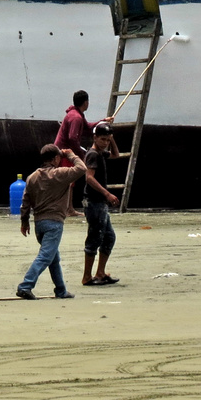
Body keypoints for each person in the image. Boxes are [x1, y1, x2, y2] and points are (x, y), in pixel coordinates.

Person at [17, 144, 86, 299]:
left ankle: (61, 290)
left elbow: (25, 202)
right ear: (56, 159)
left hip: (39, 224)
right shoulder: (60, 174)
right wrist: (70, 155)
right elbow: (82, 169)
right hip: (54, 223)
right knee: (46, 256)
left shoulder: (32, 177)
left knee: (53, 258)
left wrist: (24, 222)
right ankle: (26, 285)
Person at [56, 90, 111, 216]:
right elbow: (72, 138)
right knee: (69, 180)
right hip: (65, 151)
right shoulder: (76, 117)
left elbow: (87, 127)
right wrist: (80, 154)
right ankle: (68, 209)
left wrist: (103, 121)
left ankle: (67, 208)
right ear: (86, 102)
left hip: (65, 149)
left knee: (69, 179)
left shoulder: (76, 114)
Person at [81, 123, 121, 287]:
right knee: (94, 237)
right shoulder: (93, 155)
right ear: (95, 138)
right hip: (94, 201)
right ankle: (87, 276)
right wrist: (107, 193)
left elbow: (116, 155)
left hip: (100, 202)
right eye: (102, 139)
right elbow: (89, 177)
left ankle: (100, 272)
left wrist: (111, 140)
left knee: (109, 237)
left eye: (107, 139)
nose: (105, 142)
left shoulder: (100, 153)